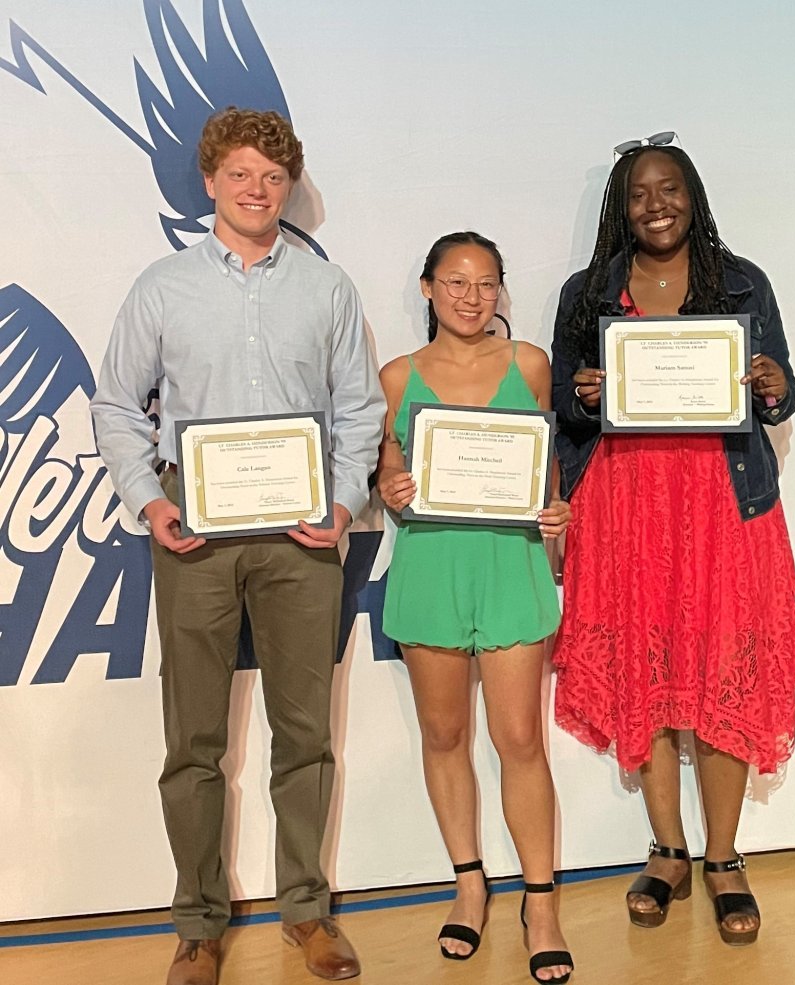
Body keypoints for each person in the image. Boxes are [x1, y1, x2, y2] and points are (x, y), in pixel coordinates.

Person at [90, 107, 385, 984]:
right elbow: (116, 403)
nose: (258, 190)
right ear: (211, 180)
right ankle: (197, 922)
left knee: (305, 733)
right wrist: (148, 500)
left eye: (273, 176)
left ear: (288, 187)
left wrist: (341, 504)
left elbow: (360, 409)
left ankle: (308, 911)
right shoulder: (162, 286)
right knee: (192, 739)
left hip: (303, 531)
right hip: (194, 528)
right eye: (241, 174)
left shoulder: (326, 289)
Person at [551, 139, 795, 946]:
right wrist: (587, 392)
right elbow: (565, 399)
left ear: (692, 196)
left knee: (723, 668)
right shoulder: (588, 290)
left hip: (721, 501)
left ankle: (725, 857)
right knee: (649, 671)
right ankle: (667, 850)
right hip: (627, 502)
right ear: (619, 208)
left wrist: (772, 384)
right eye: (638, 193)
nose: (654, 203)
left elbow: (782, 389)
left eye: (669, 188)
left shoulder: (743, 281)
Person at [377, 232, 574, 984]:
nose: (471, 296)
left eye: (486, 283)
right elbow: (391, 477)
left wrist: (556, 514)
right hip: (431, 567)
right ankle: (468, 881)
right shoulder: (398, 375)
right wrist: (391, 492)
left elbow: (546, 476)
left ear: (501, 291)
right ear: (427, 288)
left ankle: (542, 899)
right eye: (455, 282)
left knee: (521, 737)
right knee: (443, 731)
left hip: (510, 567)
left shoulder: (528, 364)